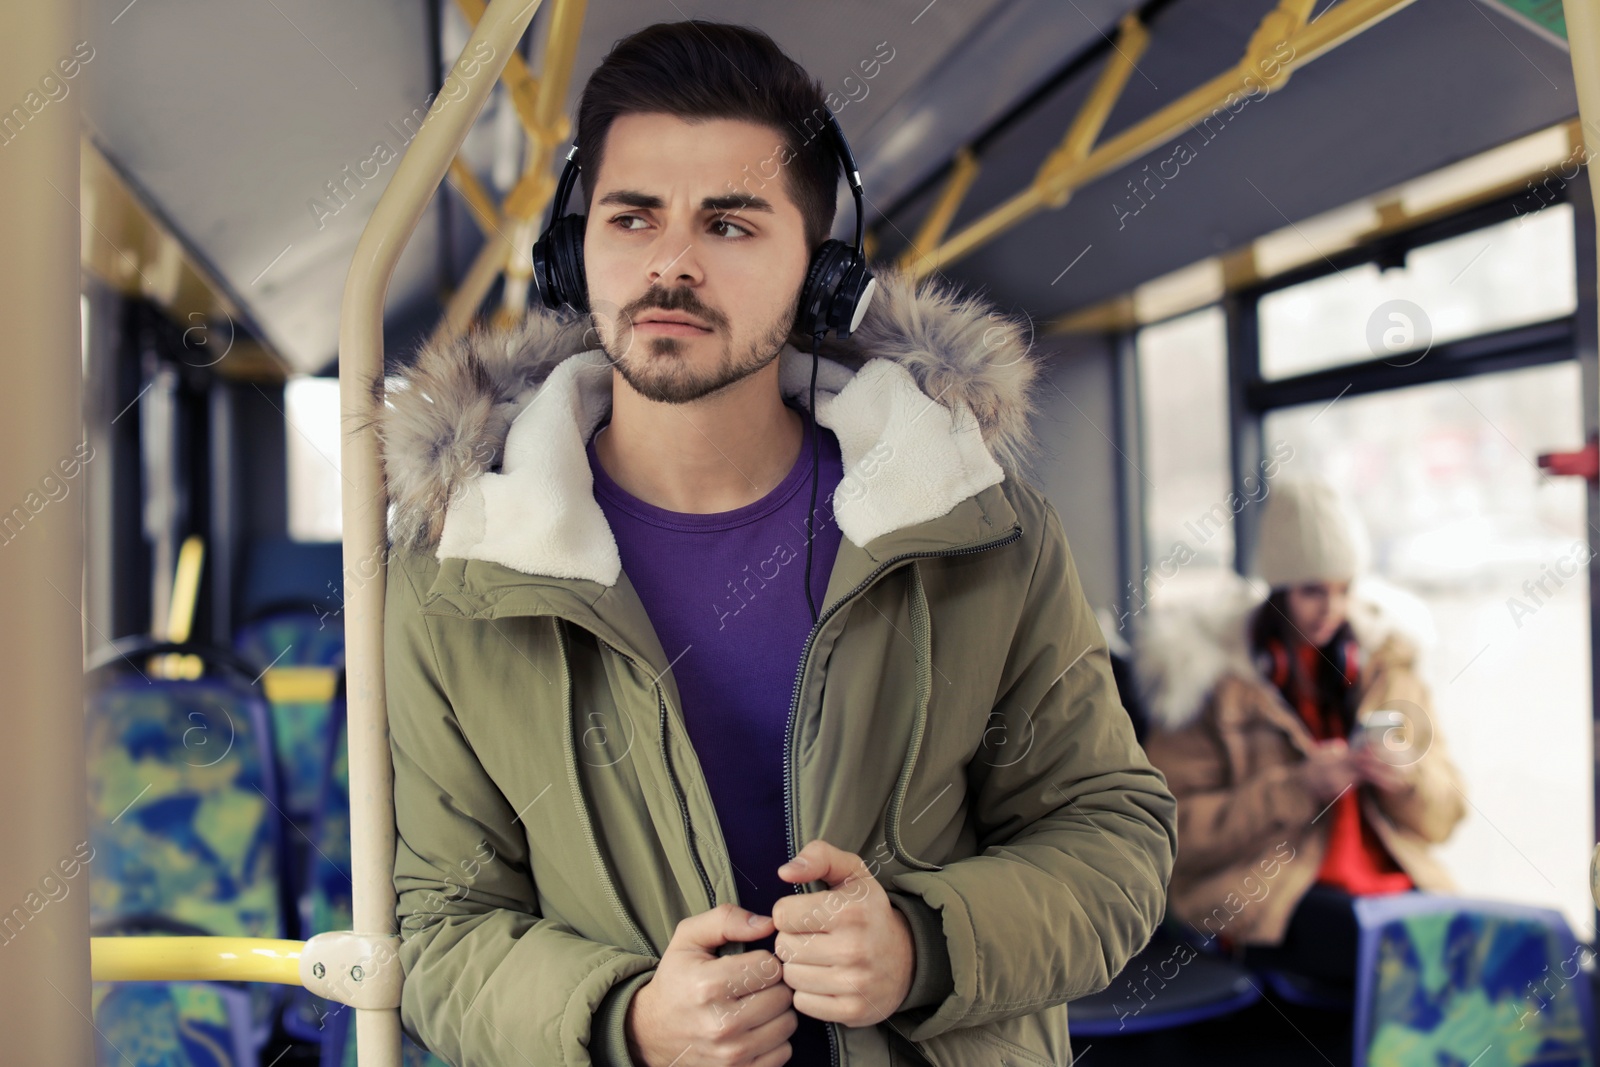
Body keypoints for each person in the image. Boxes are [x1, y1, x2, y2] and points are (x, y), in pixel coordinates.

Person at [378, 19, 1177, 1067]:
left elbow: (1111, 837)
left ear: (823, 273)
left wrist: (922, 943)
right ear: (575, 256)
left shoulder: (979, 529)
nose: (670, 262)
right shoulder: (456, 573)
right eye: (631, 217)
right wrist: (626, 1020)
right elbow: (436, 928)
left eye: (730, 225)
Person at [1138, 477, 1466, 986]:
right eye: (1314, 590)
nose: (1331, 609)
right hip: (1268, 896)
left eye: (1344, 590)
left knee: (1495, 946)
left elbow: (1446, 817)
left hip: (1392, 885)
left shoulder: (1389, 671)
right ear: (1280, 588)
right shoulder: (1207, 682)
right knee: (1404, 966)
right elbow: (1169, 835)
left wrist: (1405, 782)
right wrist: (1297, 788)